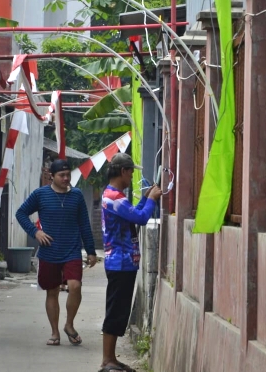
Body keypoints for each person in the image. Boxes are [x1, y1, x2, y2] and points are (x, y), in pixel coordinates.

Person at [15, 159, 97, 346]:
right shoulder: (40, 194)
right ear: (52, 176)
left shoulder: (76, 196)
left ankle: (69, 324)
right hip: (49, 252)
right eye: (62, 175)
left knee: (75, 286)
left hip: (72, 250)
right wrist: (35, 232)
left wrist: (91, 251)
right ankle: (54, 333)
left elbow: (84, 224)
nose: (66, 178)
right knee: (52, 292)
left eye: (68, 174)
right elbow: (21, 213)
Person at [99, 153, 162, 372]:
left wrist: (146, 198)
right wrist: (152, 199)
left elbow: (134, 213)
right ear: (124, 172)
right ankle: (107, 360)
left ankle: (111, 359)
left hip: (122, 262)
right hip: (120, 262)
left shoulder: (113, 195)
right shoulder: (115, 197)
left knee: (119, 310)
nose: (132, 176)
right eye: (131, 172)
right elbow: (142, 218)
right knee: (116, 311)